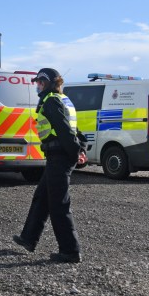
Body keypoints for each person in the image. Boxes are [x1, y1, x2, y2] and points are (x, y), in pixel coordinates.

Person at [13, 68, 86, 264]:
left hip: (60, 156)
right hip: (58, 156)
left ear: (44, 83)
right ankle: (28, 238)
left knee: (58, 204)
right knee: (42, 197)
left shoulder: (51, 101)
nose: (36, 85)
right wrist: (82, 148)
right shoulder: (62, 99)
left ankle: (70, 251)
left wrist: (76, 152)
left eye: (38, 82)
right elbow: (75, 129)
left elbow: (64, 130)